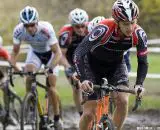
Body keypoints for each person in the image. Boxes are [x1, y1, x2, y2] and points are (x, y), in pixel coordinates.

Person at [73, 0, 148, 130]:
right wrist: (83, 78)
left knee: (123, 101)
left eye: (133, 22)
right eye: (125, 24)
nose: (130, 28)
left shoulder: (139, 34)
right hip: (92, 66)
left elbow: (142, 61)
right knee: (89, 114)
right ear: (116, 21)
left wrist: (139, 84)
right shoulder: (103, 29)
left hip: (116, 66)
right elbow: (79, 53)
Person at [10, 6, 63, 130]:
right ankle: (31, 106)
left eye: (32, 24)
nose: (30, 28)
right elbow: (15, 52)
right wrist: (15, 67)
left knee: (51, 86)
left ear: (37, 22)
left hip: (51, 54)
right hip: (35, 54)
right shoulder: (18, 31)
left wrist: (50, 68)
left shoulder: (46, 29)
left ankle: (56, 117)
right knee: (29, 74)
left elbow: (58, 53)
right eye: (26, 25)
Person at [58, 8, 89, 116]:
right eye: (77, 26)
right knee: (76, 87)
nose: (80, 29)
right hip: (71, 61)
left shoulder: (91, 29)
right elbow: (61, 54)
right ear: (72, 25)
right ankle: (81, 114)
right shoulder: (66, 33)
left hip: (87, 60)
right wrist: (67, 67)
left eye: (83, 26)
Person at [0, 36, 18, 125]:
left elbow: (11, 63)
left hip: (2, 74)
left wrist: (18, 71)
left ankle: (8, 114)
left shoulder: (3, 51)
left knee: (6, 88)